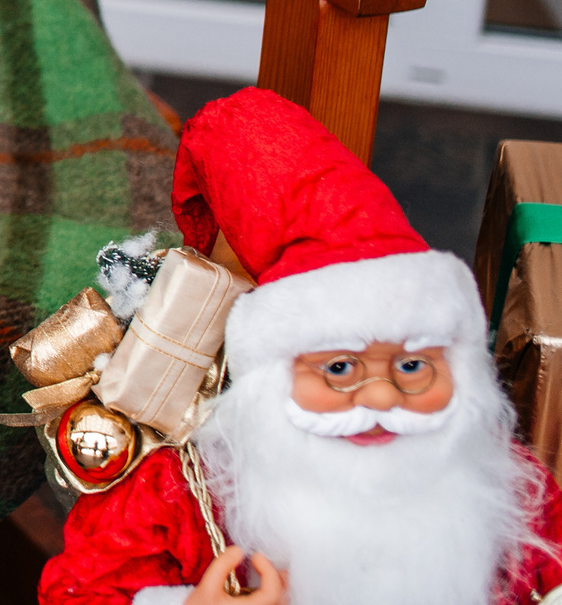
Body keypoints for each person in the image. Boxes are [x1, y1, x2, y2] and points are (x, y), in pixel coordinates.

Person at [37, 89, 562, 605]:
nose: (380, 399)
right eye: (338, 368)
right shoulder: (181, 493)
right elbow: (82, 591)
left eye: (412, 365)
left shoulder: (506, 488)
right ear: (272, 375)